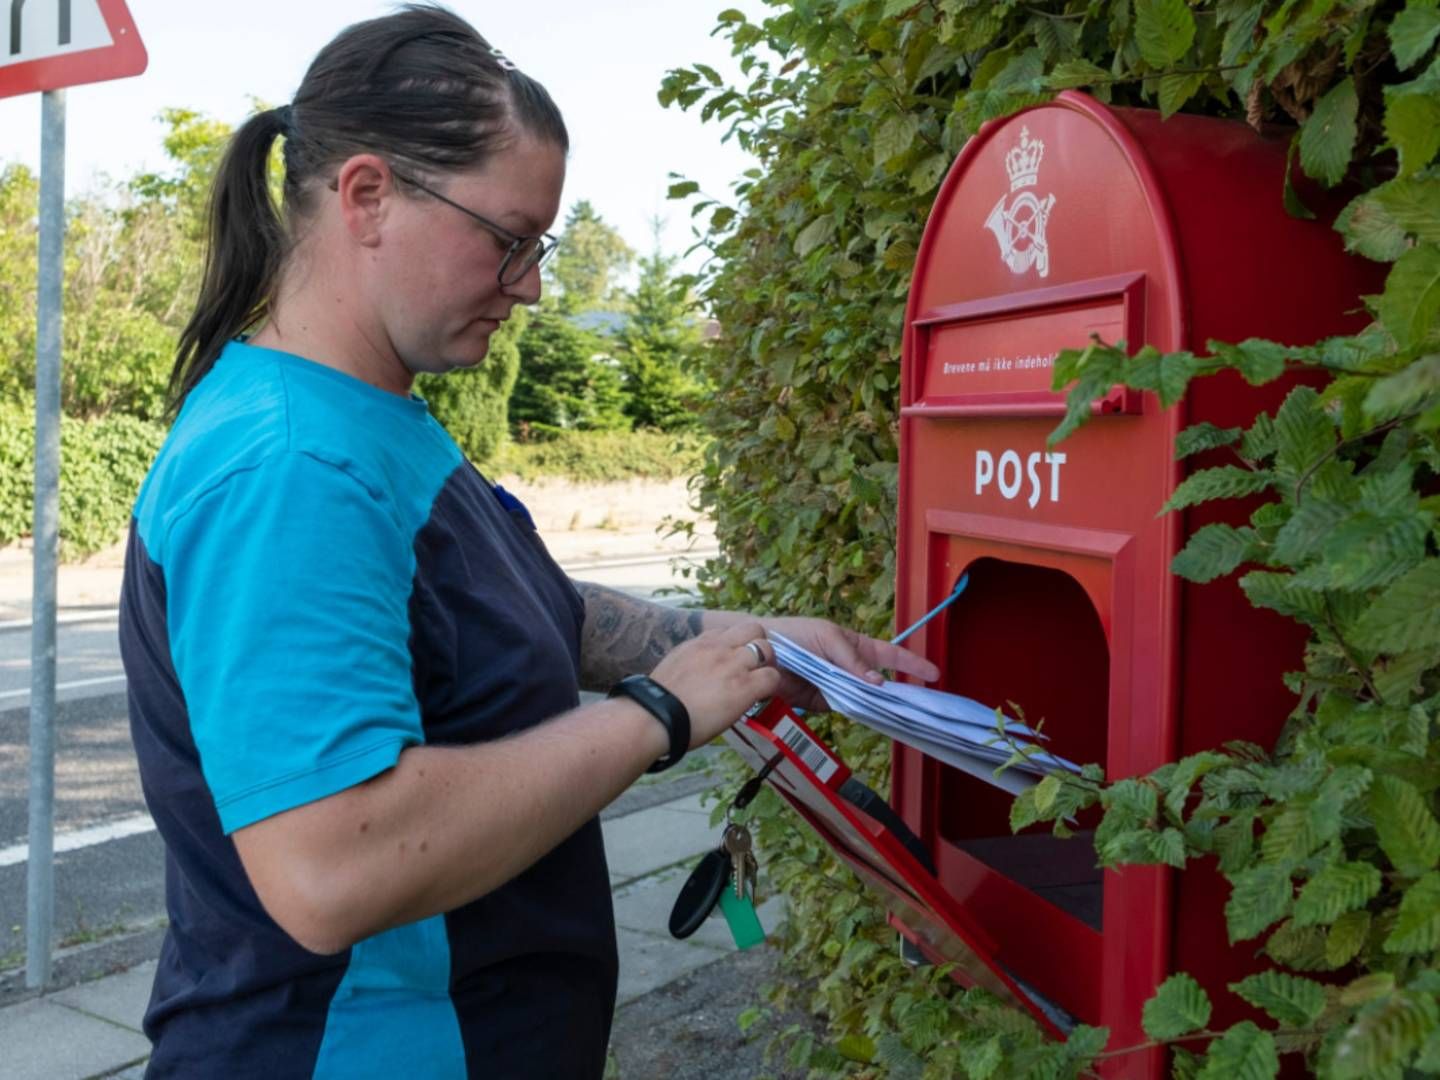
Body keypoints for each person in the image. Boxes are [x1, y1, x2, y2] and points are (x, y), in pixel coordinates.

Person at [118, 6, 938, 1077]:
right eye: (510, 241)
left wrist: (755, 642)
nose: (536, 286)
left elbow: (495, 615)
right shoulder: (291, 470)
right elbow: (332, 870)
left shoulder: (370, 420)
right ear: (368, 196)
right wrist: (663, 713)